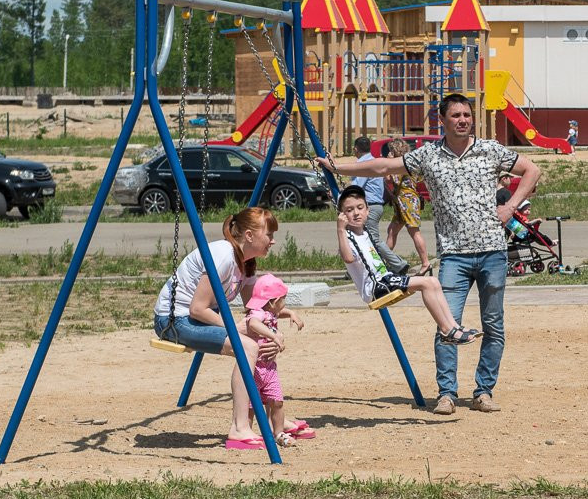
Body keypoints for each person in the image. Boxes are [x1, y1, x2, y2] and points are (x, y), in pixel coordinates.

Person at [320, 93, 541, 415]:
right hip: (453, 255)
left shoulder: (490, 149)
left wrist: (510, 206)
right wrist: (337, 166)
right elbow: (383, 166)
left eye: (467, 115)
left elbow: (532, 170)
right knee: (447, 324)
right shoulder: (429, 155)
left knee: (493, 324)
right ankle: (447, 394)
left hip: (492, 251)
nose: (463, 120)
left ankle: (483, 391)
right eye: (456, 115)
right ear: (443, 120)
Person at [152, 207, 310, 450]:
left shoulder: (246, 263)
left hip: (196, 318)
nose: (273, 240)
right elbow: (197, 309)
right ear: (249, 235)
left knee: (258, 342)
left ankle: (275, 420)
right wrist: (237, 330)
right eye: (269, 234)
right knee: (247, 347)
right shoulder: (223, 256)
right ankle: (239, 428)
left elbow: (255, 308)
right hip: (173, 321)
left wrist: (275, 327)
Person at [336, 184, 482, 346]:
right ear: (342, 215)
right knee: (426, 284)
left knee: (433, 282)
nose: (356, 213)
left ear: (367, 210)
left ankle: (454, 326)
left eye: (360, 207)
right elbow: (348, 258)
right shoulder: (347, 238)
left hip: (386, 280)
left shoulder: (365, 233)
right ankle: (446, 331)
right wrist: (341, 230)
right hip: (377, 288)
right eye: (349, 210)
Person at [243, 273, 305, 447]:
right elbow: (253, 324)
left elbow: (279, 312)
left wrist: (291, 313)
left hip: (270, 368)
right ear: (274, 301)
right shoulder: (257, 313)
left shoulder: (270, 312)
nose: (284, 303)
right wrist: (274, 336)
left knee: (277, 402)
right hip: (254, 368)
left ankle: (278, 433)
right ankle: (247, 432)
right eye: (283, 300)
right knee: (250, 406)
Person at [350, 136, 409, 275]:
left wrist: (341, 196)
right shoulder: (373, 161)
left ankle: (399, 264)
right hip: (374, 205)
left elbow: (357, 187)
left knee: (373, 239)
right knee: (362, 239)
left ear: (355, 149)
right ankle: (361, 267)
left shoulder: (364, 165)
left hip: (370, 206)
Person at [384, 138, 430, 274]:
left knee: (414, 231)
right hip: (403, 200)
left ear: (395, 151)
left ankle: (426, 263)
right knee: (392, 230)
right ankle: (384, 262)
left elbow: (391, 179)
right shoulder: (408, 162)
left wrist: (388, 163)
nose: (389, 153)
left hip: (407, 200)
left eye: (391, 151)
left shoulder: (401, 164)